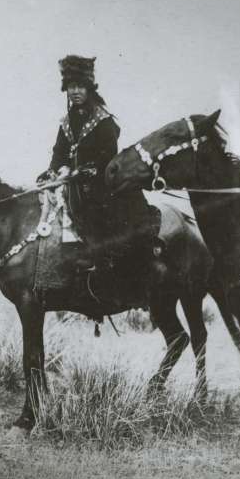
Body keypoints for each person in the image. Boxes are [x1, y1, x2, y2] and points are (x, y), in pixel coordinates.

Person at [38, 55, 160, 298]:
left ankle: (107, 267)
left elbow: (107, 158)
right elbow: (59, 152)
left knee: (103, 219)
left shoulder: (104, 122)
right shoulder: (65, 122)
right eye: (70, 87)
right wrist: (52, 171)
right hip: (73, 187)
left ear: (89, 88)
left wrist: (81, 171)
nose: (74, 92)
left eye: (79, 86)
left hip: (101, 186)